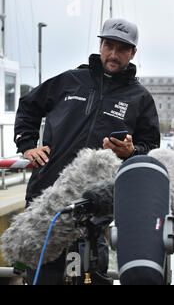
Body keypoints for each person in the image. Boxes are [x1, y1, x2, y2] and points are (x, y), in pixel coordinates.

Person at [14, 18, 160, 284]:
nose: (113, 54)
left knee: (93, 275)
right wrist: (27, 145)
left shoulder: (140, 98)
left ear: (133, 52)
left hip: (96, 209)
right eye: (108, 45)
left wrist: (131, 151)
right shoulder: (69, 81)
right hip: (46, 199)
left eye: (122, 49)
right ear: (100, 45)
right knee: (42, 277)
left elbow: (150, 147)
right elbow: (28, 107)